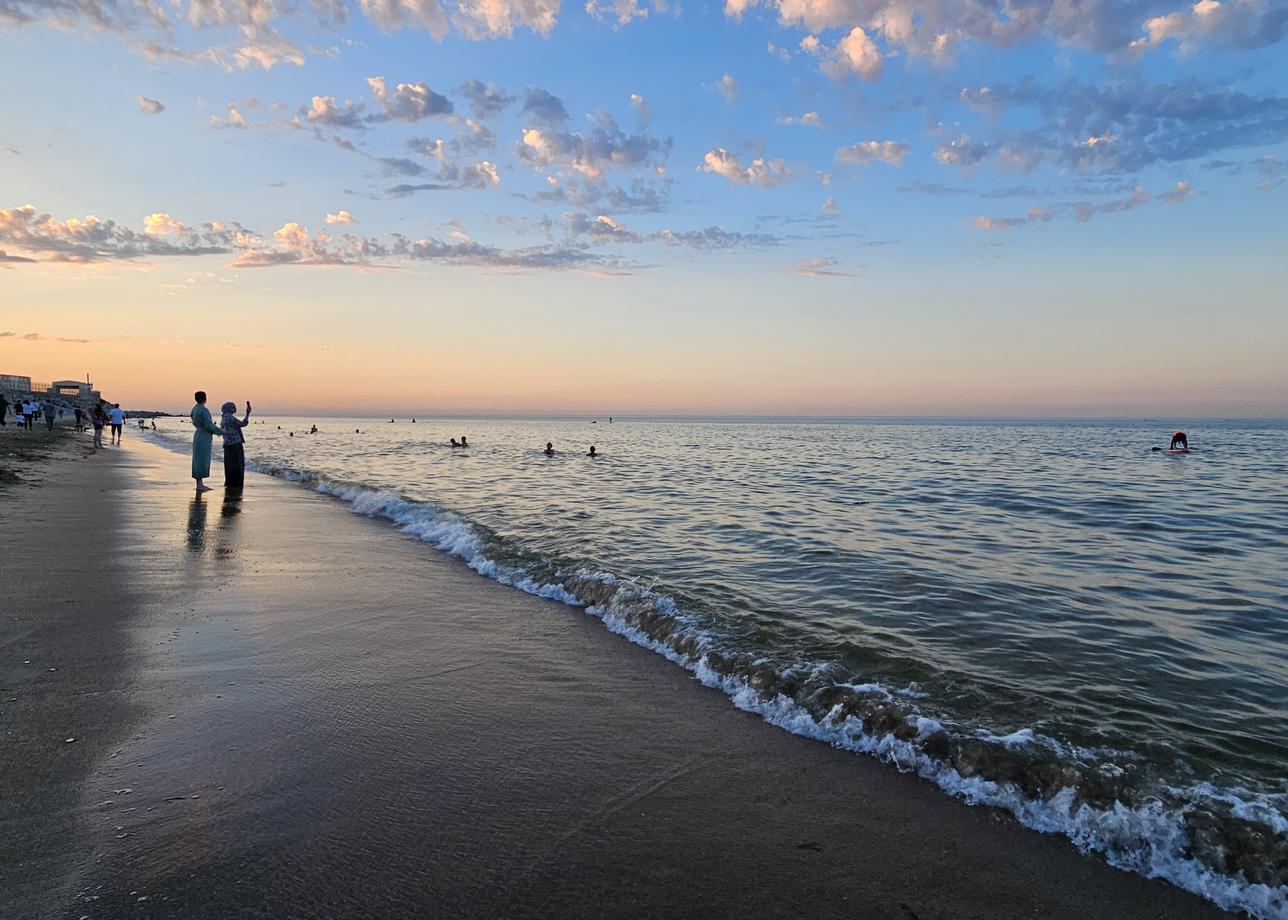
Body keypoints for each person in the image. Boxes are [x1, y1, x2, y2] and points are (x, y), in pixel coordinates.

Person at [190, 391, 223, 493]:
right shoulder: (204, 410)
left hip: (198, 434)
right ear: (205, 398)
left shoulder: (194, 409)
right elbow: (208, 425)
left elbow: (195, 420)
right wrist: (221, 431)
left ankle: (199, 483)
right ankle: (200, 485)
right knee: (202, 459)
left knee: (197, 459)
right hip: (204, 435)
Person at [221, 400, 252, 492]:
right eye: (233, 407)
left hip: (227, 444)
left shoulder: (224, 418)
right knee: (238, 465)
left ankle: (230, 483)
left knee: (229, 465)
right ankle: (236, 484)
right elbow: (243, 424)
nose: (235, 408)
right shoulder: (230, 417)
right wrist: (247, 413)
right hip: (235, 444)